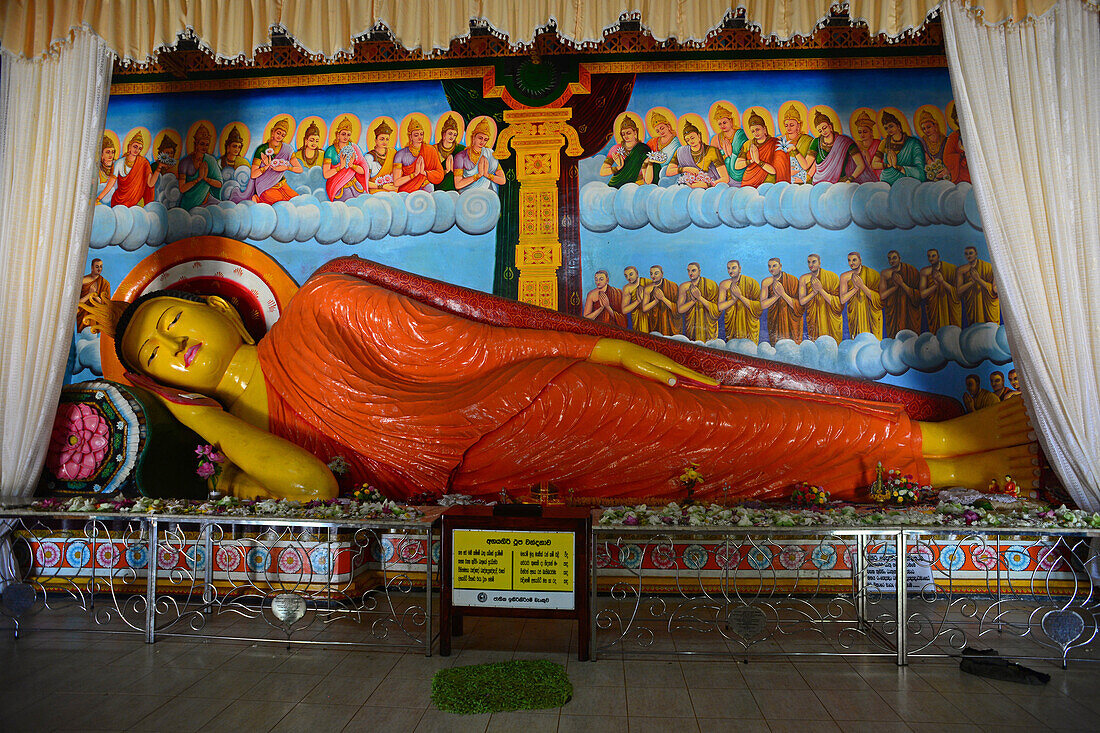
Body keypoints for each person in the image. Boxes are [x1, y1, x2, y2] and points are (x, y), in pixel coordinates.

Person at [93, 258, 1038, 503]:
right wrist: (167, 392)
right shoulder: (256, 453)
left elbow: (462, 349)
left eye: (177, 315)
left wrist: (591, 351)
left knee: (721, 427)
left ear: (227, 307)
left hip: (534, 400)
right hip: (488, 479)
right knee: (720, 469)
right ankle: (943, 463)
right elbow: (308, 484)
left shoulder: (325, 306)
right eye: (156, 348)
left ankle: (939, 446)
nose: (172, 335)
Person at [231, 117, 302, 204]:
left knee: (297, 201)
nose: (280, 136)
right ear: (273, 131)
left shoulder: (287, 149)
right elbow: (253, 174)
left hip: (282, 184)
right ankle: (258, 198)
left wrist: (287, 167)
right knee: (280, 202)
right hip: (265, 185)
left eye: (283, 135)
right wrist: (266, 167)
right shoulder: (262, 149)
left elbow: (299, 169)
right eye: (278, 133)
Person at [734, 111, 791, 187]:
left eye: (757, 129)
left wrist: (758, 162)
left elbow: (775, 171)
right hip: (748, 181)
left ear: (764, 129)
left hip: (768, 180)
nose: (755, 133)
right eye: (753, 131)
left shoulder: (775, 143)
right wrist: (751, 161)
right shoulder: (748, 144)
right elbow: (737, 165)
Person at [666, 120, 727, 187]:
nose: (691, 141)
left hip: (710, 187)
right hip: (688, 186)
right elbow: (669, 172)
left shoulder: (712, 151)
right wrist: (686, 169)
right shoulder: (681, 152)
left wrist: (707, 185)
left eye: (692, 138)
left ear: (699, 135)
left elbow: (725, 178)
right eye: (688, 140)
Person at [807, 111, 864, 183]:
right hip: (820, 183)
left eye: (824, 128)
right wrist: (795, 150)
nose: (823, 132)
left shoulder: (844, 142)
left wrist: (850, 179)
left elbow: (861, 165)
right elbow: (809, 165)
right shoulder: (816, 142)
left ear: (830, 126)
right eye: (820, 131)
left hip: (841, 183)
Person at [872, 111, 926, 185]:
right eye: (886, 128)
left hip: (906, 181)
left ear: (898, 126)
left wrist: (899, 168)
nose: (889, 130)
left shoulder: (913, 143)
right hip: (886, 180)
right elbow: (874, 164)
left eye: (891, 126)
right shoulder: (885, 143)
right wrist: (888, 165)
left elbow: (921, 173)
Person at [323, 116, 369, 202]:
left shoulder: (354, 148)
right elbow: (326, 174)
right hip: (338, 187)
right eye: (343, 134)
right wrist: (340, 167)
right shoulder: (330, 151)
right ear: (338, 135)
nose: (346, 137)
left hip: (355, 185)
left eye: (348, 134)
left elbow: (363, 171)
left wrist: (352, 166)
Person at [600, 116, 654, 187]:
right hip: (617, 186)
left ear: (635, 132)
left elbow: (648, 181)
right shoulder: (616, 149)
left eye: (628, 133)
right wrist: (618, 167)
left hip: (637, 185)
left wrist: (649, 163)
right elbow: (602, 172)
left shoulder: (643, 149)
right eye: (623, 134)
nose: (626, 136)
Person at [798, 254, 842, 342]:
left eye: (814, 262)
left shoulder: (832, 277)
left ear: (819, 263)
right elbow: (802, 301)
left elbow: (838, 303)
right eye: (809, 262)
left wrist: (820, 290)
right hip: (813, 318)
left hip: (830, 319)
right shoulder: (804, 278)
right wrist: (814, 292)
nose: (811, 265)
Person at [394, 118, 445, 192]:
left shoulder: (430, 150)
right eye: (416, 135)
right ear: (410, 137)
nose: (419, 137)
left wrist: (424, 173)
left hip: (425, 186)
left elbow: (440, 173)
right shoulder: (401, 154)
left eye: (421, 134)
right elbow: (396, 182)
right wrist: (414, 175)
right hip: (406, 189)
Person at [839, 251, 883, 339]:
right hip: (855, 315)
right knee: (857, 340)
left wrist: (862, 286)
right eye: (849, 260)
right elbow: (843, 299)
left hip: (871, 315)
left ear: (860, 260)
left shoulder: (873, 274)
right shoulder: (844, 276)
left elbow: (879, 300)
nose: (851, 263)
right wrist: (855, 289)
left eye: (854, 260)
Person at [177, 126, 223, 209]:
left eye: (207, 144)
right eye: (202, 144)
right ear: (196, 144)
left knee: (222, 208)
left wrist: (206, 179)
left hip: (207, 200)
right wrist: (198, 179)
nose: (204, 147)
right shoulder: (185, 162)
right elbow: (182, 189)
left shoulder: (210, 161)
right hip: (189, 203)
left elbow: (219, 184)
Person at [454, 119, 506, 191]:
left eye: (485, 139)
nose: (482, 142)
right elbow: (458, 184)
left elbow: (502, 180)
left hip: (486, 192)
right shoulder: (460, 156)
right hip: (466, 193)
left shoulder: (489, 154)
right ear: (473, 137)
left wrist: (487, 175)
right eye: (480, 138)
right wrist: (477, 176)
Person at [879, 250, 922, 337]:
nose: (892, 261)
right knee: (894, 339)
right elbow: (882, 296)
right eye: (889, 259)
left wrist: (902, 284)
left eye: (894, 258)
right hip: (893, 312)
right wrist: (895, 287)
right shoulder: (885, 274)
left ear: (899, 258)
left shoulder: (911, 271)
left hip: (909, 312)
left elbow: (918, 296)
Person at [111, 131, 159, 207]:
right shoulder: (119, 163)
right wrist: (98, 198)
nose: (137, 150)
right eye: (135, 146)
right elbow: (110, 183)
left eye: (139, 148)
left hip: (136, 202)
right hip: (119, 201)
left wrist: (158, 169)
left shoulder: (143, 163)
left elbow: (150, 184)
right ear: (129, 146)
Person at [760, 258, 802, 344]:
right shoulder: (766, 282)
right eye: (769, 266)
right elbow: (763, 305)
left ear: (780, 266)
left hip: (791, 322)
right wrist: (776, 296)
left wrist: (783, 294)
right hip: (774, 320)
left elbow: (799, 306)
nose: (771, 269)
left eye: (774, 266)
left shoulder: (792, 280)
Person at [717, 260, 761, 342]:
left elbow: (759, 307)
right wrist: (734, 300)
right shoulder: (724, 284)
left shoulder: (751, 282)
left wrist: (740, 296)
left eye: (733, 268)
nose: (730, 271)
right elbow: (720, 306)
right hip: (732, 324)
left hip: (749, 324)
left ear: (739, 269)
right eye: (728, 268)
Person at [919, 248, 961, 332]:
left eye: (933, 256)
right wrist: (935, 285)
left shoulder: (951, 269)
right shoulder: (925, 272)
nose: (931, 258)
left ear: (938, 256)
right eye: (929, 256)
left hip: (949, 308)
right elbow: (922, 294)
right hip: (933, 308)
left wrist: (942, 282)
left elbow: (957, 293)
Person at [956, 246, 1000, 325]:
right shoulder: (961, 270)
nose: (969, 256)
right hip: (972, 304)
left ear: (976, 254)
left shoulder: (989, 267)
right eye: (966, 254)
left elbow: (995, 291)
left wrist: (979, 280)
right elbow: (959, 291)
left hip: (987, 305)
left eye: (971, 253)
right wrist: (971, 282)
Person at [677, 263, 720, 342]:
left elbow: (716, 311)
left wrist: (700, 298)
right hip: (691, 325)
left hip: (708, 327)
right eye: (688, 271)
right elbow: (680, 309)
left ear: (699, 272)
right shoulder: (684, 287)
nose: (690, 273)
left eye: (693, 270)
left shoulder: (711, 285)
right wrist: (693, 301)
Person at [711, 104, 749, 185]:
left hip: (739, 168)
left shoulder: (740, 134)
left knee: (729, 161)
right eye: (720, 124)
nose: (722, 126)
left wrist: (732, 155)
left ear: (731, 121)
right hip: (723, 170)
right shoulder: (716, 139)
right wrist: (726, 155)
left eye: (724, 122)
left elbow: (745, 153)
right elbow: (714, 158)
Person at [640, 265, 681, 336]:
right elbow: (644, 308)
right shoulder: (648, 289)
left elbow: (677, 310)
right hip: (655, 322)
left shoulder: (673, 286)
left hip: (669, 323)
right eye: (651, 274)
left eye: (656, 273)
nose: (653, 276)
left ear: (662, 274)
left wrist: (663, 298)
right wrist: (656, 301)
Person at [780, 105, 815, 184]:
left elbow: (816, 161)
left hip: (803, 178)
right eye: (786, 125)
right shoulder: (781, 140)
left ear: (799, 125)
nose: (789, 128)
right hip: (786, 178)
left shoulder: (808, 140)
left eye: (792, 125)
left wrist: (808, 176)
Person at [916, 109, 950, 182]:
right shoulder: (921, 143)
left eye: (928, 127)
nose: (926, 130)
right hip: (929, 175)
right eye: (923, 129)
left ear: (935, 126)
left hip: (945, 173)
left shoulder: (946, 141)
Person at [77, 259, 111, 332]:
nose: (99, 269)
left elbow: (106, 306)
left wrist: (95, 297)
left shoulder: (105, 283)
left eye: (101, 267)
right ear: (92, 267)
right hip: (82, 316)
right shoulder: (82, 281)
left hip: (96, 317)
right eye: (97, 267)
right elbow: (77, 303)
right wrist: (89, 294)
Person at [646, 111, 681, 181]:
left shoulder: (677, 140)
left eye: (662, 128)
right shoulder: (654, 141)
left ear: (668, 126)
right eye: (658, 131)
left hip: (672, 169)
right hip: (657, 170)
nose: (661, 132)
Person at [434, 115, 465, 192]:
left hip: (455, 186)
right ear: (444, 135)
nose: (452, 137)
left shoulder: (460, 149)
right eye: (450, 133)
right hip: (438, 185)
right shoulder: (434, 149)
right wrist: (446, 171)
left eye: (454, 135)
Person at [366, 120, 397, 192]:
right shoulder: (369, 157)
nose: (385, 142)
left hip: (391, 190)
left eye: (387, 139)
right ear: (376, 140)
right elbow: (364, 182)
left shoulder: (392, 152)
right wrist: (382, 186)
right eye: (382, 139)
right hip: (375, 191)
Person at [850, 111, 881, 183]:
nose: (862, 135)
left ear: (871, 132)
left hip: (876, 174)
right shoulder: (857, 145)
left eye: (865, 131)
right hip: (861, 175)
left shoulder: (878, 144)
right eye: (860, 132)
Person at [943, 105, 970, 184]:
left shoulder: (977, 134)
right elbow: (947, 157)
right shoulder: (954, 137)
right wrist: (961, 155)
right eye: (959, 117)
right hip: (960, 175)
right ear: (956, 119)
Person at [622, 266, 651, 333]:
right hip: (636, 318)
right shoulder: (627, 288)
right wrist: (638, 301)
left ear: (637, 274)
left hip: (649, 315)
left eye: (631, 274)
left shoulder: (647, 282)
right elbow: (624, 310)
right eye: (626, 276)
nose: (628, 278)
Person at [96, 136, 117, 206]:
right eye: (108, 152)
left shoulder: (117, 166)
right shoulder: (96, 168)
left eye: (113, 152)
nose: (111, 155)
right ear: (101, 155)